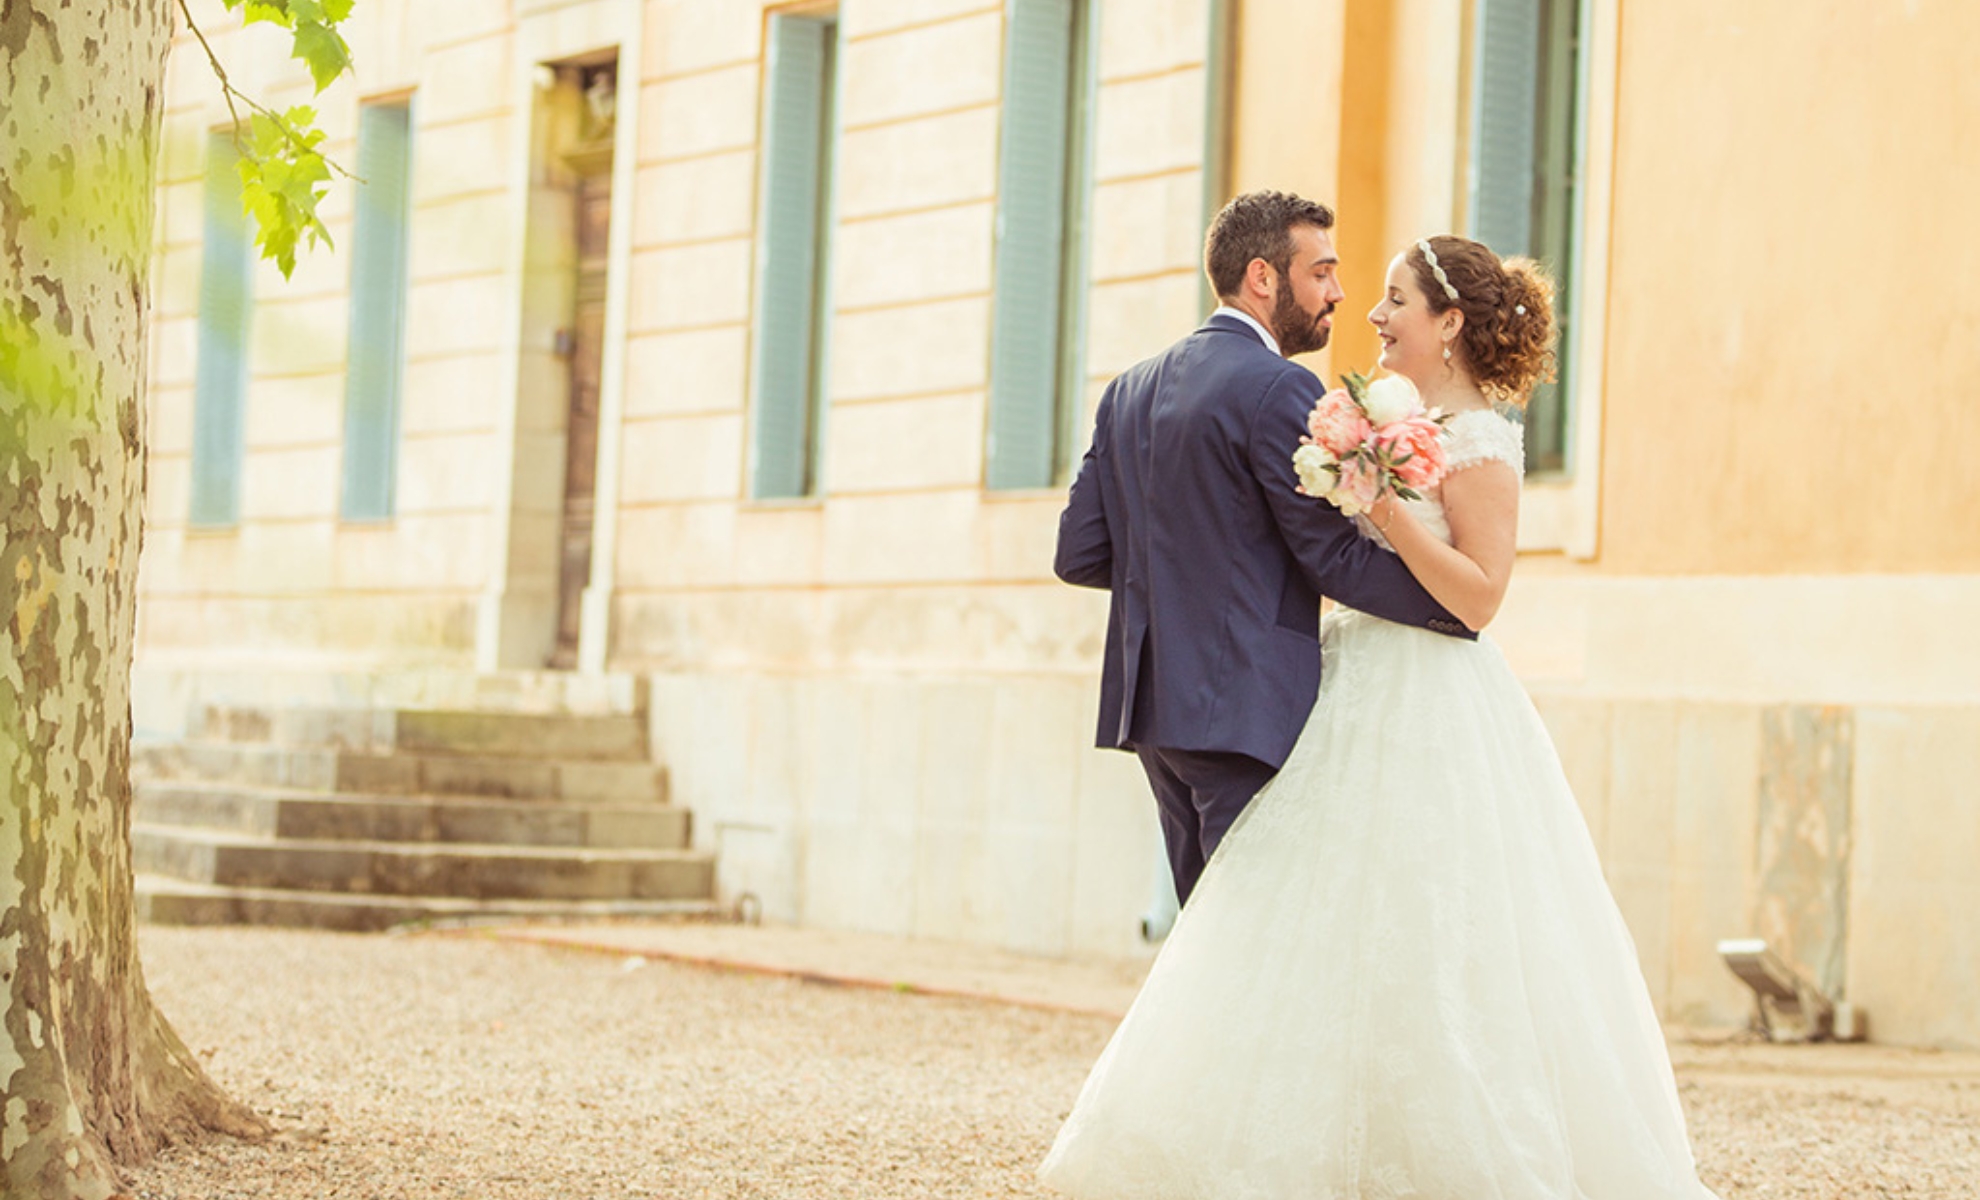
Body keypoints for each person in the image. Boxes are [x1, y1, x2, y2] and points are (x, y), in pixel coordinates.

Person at [1038, 236, 1723, 1198]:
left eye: (1394, 298)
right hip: (1345, 684)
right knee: (1297, 924)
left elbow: (1479, 601)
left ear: (1447, 324)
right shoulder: (1372, 417)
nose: (1371, 313)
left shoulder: (1481, 437)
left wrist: (1382, 504)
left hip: (1435, 699)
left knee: (1434, 927)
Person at [1053, 191, 1470, 908]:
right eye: (1322, 273)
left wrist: (1188, 580)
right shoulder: (1278, 386)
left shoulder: (1128, 389)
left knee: (1211, 944)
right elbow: (1329, 557)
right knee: (1252, 926)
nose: (1337, 294)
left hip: (1155, 711)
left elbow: (1080, 552)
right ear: (1263, 278)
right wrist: (1452, 609)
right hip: (1243, 706)